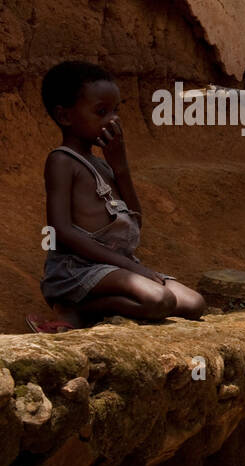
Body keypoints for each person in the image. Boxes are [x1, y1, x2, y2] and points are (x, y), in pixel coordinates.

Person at [34, 61, 206, 331]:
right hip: (77, 269)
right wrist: (131, 268)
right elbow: (61, 230)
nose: (113, 120)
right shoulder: (62, 161)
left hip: (113, 267)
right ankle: (76, 308)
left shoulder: (103, 165)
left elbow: (135, 221)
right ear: (65, 116)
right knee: (160, 300)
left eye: (116, 111)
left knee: (195, 304)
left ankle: (88, 309)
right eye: (101, 112)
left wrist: (120, 167)